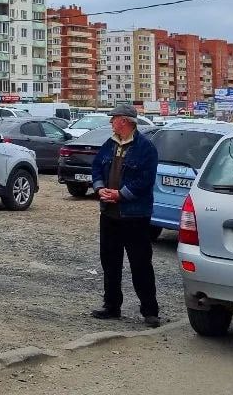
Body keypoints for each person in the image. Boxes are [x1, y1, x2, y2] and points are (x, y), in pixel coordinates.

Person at [90, 104, 161, 327]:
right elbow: (96, 168)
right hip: (109, 214)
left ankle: (150, 311)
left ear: (125, 121)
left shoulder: (145, 148)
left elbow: (145, 180)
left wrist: (121, 194)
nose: (111, 122)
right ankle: (111, 306)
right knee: (110, 263)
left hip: (135, 217)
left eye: (114, 119)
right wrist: (100, 188)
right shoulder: (109, 145)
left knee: (140, 263)